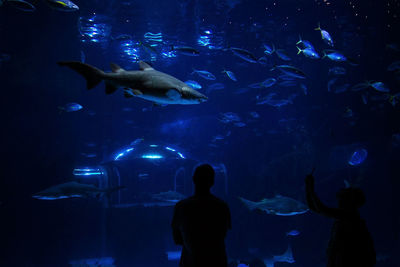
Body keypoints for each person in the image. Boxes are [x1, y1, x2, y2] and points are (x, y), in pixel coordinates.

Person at [305, 170, 376, 267]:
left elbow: (321, 209)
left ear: (349, 201)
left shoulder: (350, 215)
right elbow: (314, 208)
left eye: (342, 198)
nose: (339, 201)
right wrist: (308, 189)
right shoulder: (344, 216)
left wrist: (310, 188)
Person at [171, 164, 231, 267]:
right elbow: (223, 234)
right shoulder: (221, 206)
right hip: (216, 261)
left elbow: (177, 239)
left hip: (190, 261)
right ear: (212, 181)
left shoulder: (181, 206)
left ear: (193, 179)